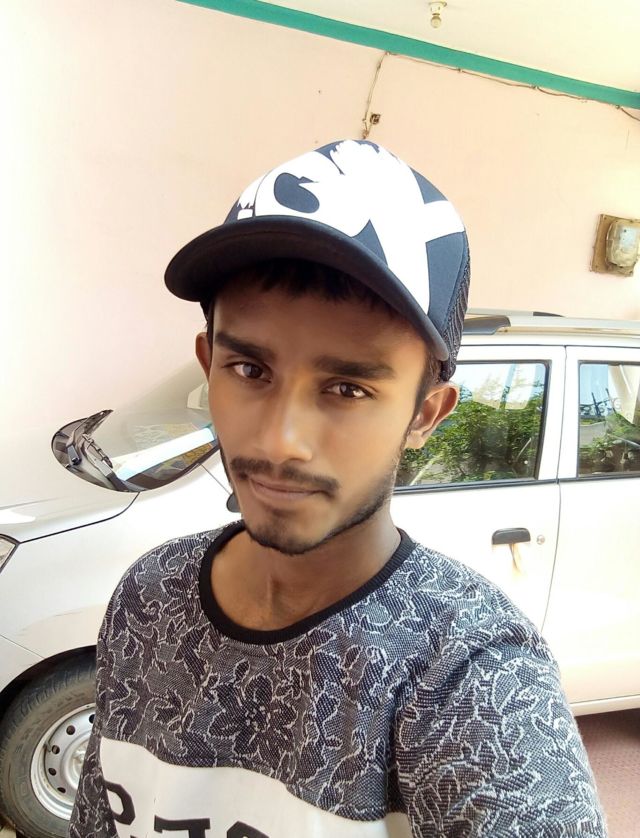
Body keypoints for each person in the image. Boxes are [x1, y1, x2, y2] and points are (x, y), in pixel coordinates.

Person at [70, 140, 606, 837]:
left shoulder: (466, 673)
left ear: (424, 414)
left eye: (348, 387)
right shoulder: (151, 594)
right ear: (208, 365)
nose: (279, 441)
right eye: (250, 370)